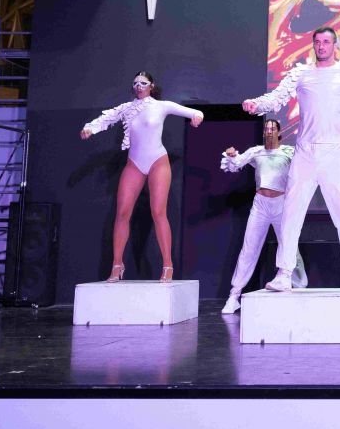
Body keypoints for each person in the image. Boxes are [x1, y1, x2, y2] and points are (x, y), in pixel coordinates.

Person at [243, 25, 340, 292]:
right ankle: (284, 273)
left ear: (334, 45)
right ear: (313, 45)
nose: (321, 46)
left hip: (333, 153)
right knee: (291, 213)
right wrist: (258, 105)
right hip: (305, 152)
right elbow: (277, 97)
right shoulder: (301, 73)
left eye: (326, 42)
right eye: (317, 42)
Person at [79, 70, 204, 282]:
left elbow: (195, 112)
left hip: (157, 161)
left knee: (158, 212)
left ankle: (168, 265)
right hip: (134, 163)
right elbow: (105, 119)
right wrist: (89, 128)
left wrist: (197, 118)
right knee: (122, 213)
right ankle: (117, 265)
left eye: (143, 83)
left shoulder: (162, 106)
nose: (139, 86)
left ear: (151, 86)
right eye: (136, 83)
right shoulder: (126, 108)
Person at [218, 118, 309, 314]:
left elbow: (305, 167)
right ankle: (234, 295)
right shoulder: (256, 151)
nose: (269, 131)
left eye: (272, 129)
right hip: (260, 205)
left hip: (282, 205)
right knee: (248, 249)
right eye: (266, 128)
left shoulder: (289, 152)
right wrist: (232, 155)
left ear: (279, 132)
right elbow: (235, 164)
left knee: (290, 247)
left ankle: (299, 285)